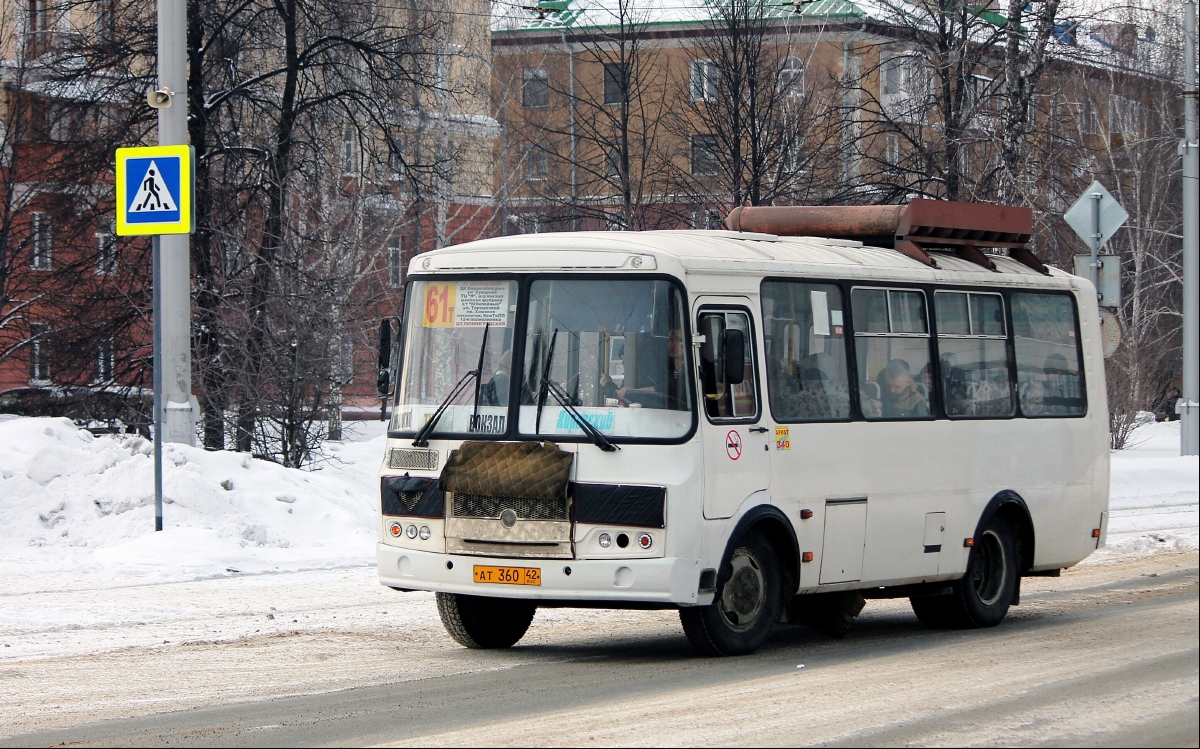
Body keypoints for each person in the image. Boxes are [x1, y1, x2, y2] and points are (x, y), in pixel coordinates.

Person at [611, 327, 688, 410]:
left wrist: (634, 391)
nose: (673, 344)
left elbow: (673, 387)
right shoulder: (662, 366)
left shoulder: (695, 367)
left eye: (679, 339)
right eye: (670, 339)